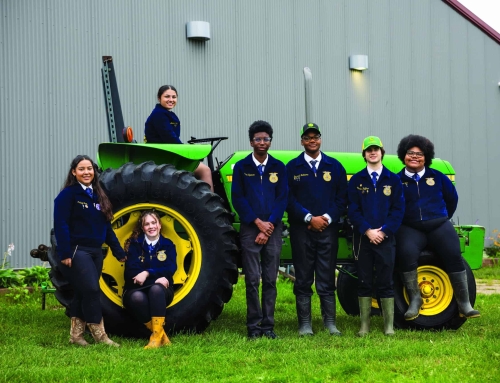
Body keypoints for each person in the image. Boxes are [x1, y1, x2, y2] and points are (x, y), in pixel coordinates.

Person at [395, 134, 480, 320]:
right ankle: (415, 300)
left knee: (453, 254)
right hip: (410, 228)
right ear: (403, 155)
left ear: (426, 157)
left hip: (439, 225)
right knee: (405, 255)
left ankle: (464, 304)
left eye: (420, 153)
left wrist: (441, 218)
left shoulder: (438, 178)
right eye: (410, 153)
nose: (415, 156)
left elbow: (452, 200)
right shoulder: (396, 180)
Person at [54, 155, 126, 347]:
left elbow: (107, 228)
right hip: (78, 251)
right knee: (93, 290)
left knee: (82, 291)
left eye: (89, 169)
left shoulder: (98, 195)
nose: (86, 172)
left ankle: (76, 336)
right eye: (81, 169)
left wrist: (119, 252)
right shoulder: (68, 195)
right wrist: (65, 253)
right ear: (74, 172)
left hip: (96, 252)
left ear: (94, 172)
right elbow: (61, 225)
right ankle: (100, 336)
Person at [286, 123, 348, 336]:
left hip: (327, 230)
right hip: (301, 230)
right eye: (307, 137)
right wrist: (309, 218)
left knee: (327, 275)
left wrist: (327, 218)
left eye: (315, 137)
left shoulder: (335, 166)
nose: (312, 141)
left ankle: (330, 323)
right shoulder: (292, 167)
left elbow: (342, 199)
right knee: (302, 276)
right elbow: (288, 199)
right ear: (302, 141)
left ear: (320, 139)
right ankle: (305, 324)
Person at [231, 120, 288, 340]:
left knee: (271, 279)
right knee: (253, 279)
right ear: (251, 141)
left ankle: (268, 326)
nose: (262, 142)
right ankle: (253, 327)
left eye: (266, 139)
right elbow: (238, 198)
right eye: (258, 139)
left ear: (270, 142)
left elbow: (282, 198)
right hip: (250, 229)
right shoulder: (242, 167)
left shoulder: (278, 167)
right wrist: (257, 223)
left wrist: (269, 225)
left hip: (272, 229)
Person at [347, 136, 405, 336]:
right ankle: (365, 326)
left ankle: (388, 326)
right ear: (364, 154)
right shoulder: (356, 180)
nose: (373, 152)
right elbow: (352, 210)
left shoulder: (393, 179)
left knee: (386, 281)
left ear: (382, 152)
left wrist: (384, 231)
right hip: (364, 239)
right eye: (369, 150)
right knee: (363, 280)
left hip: (386, 239)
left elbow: (398, 210)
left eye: (376, 149)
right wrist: (367, 230)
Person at [123, 210, 177, 348]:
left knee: (156, 290)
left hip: (162, 290)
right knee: (136, 297)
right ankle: (161, 335)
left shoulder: (168, 245)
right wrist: (156, 278)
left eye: (154, 223)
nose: (151, 226)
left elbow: (170, 268)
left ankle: (155, 339)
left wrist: (147, 272)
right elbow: (131, 272)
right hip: (135, 289)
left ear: (159, 225)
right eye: (147, 224)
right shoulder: (135, 245)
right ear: (142, 228)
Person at [144, 85, 214, 191]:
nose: (171, 100)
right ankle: (211, 204)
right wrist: (186, 153)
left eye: (174, 97)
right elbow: (170, 138)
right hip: (163, 156)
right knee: (205, 170)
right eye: (167, 97)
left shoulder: (167, 114)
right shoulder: (159, 115)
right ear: (159, 98)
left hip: (168, 152)